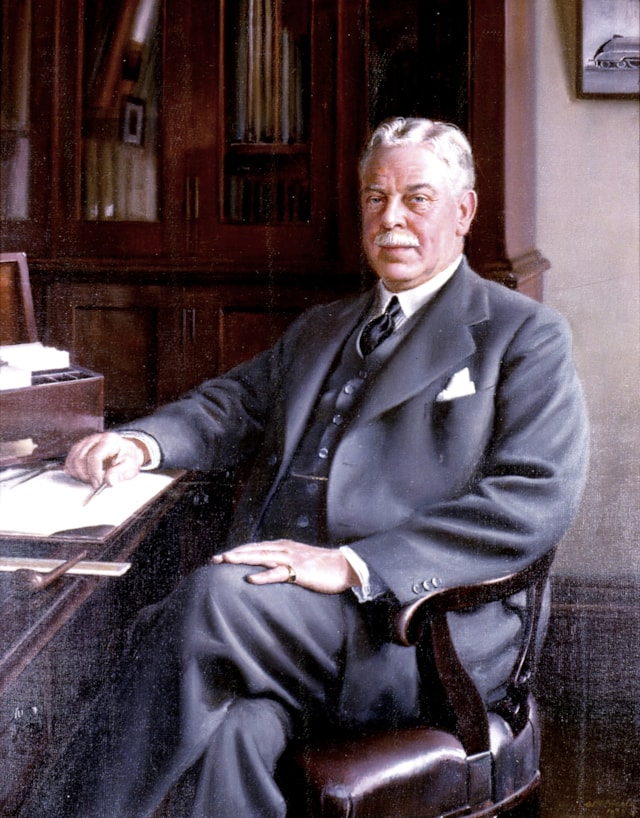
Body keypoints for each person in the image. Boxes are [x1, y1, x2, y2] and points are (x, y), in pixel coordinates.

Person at [19, 117, 588, 818]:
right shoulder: (327, 326)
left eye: (417, 198)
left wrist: (353, 564)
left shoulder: (521, 334)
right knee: (232, 731)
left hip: (411, 629)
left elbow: (534, 500)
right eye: (375, 199)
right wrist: (145, 444)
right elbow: (232, 405)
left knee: (208, 604)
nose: (392, 219)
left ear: (463, 211)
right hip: (287, 618)